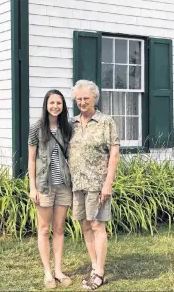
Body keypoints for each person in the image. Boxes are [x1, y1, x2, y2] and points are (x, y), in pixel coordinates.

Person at [69, 80, 120, 290]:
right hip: (77, 183)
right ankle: (93, 267)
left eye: (86, 99)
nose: (82, 102)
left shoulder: (106, 122)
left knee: (98, 226)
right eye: (79, 99)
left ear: (94, 99)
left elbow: (114, 154)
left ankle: (99, 273)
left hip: (97, 184)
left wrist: (108, 184)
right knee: (85, 226)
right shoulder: (71, 123)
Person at [28, 89, 73, 289]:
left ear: (63, 106)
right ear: (46, 104)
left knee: (59, 229)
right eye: (52, 102)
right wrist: (33, 188)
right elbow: (31, 159)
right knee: (44, 229)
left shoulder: (67, 128)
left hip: (63, 185)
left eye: (59, 103)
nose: (55, 106)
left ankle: (58, 270)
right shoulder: (36, 128)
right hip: (44, 186)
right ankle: (47, 272)